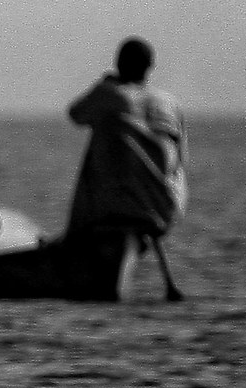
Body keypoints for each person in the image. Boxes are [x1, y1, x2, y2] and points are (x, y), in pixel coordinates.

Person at [64, 37, 187, 262]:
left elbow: (76, 114)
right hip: (166, 207)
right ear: (149, 67)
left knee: (105, 125)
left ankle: (77, 241)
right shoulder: (169, 102)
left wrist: (105, 85)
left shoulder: (109, 93)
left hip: (116, 207)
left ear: (118, 64)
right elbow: (181, 161)